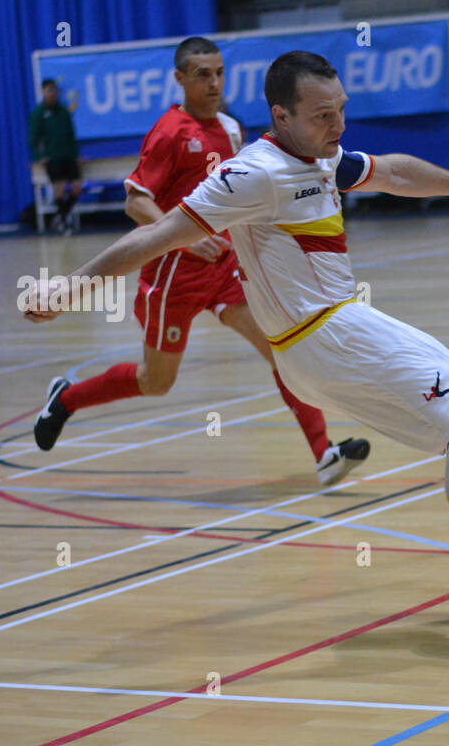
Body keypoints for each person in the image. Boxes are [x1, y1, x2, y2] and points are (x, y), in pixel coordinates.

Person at [22, 50, 449, 662]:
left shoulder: (318, 157)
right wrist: (69, 286)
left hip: (312, 347)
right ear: (281, 116)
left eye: (342, 110)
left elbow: (392, 172)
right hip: (329, 332)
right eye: (322, 115)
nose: (337, 125)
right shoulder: (255, 174)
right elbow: (153, 234)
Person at [30, 38, 369, 488]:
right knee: (157, 381)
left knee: (282, 352)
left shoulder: (230, 129)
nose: (213, 83)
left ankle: (324, 453)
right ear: (180, 79)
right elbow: (136, 203)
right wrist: (189, 241)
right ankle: (67, 399)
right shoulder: (170, 132)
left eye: (219, 73)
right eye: (202, 74)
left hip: (225, 270)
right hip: (172, 277)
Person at [29, 79, 83, 234]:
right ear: (43, 92)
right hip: (53, 158)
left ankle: (60, 216)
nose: (52, 94)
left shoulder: (64, 112)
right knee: (59, 189)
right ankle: (64, 223)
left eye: (55, 91)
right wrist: (40, 156)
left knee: (77, 187)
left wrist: (76, 154)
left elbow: (71, 135)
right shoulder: (39, 114)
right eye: (49, 91)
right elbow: (32, 138)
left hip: (68, 156)